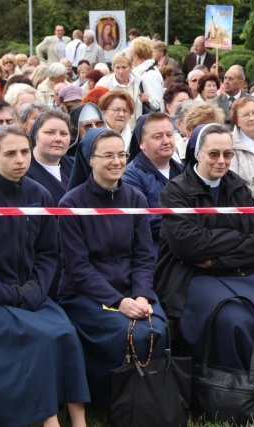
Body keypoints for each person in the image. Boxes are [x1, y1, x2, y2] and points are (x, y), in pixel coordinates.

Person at [155, 123, 254, 416]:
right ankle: (238, 397)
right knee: (233, 318)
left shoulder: (239, 187)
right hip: (193, 276)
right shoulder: (176, 191)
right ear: (196, 155)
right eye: (213, 153)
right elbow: (187, 247)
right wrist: (233, 241)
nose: (221, 161)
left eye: (228, 153)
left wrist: (216, 258)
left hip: (242, 271)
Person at [0, 125, 89, 426]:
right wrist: (13, 295)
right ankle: (49, 419)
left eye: (25, 152)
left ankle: (79, 420)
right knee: (39, 337)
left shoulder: (39, 195)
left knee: (66, 332)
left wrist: (34, 291)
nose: (20, 159)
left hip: (32, 295)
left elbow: (48, 253)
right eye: (10, 153)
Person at [57, 127, 166, 409]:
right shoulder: (71, 204)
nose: (117, 161)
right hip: (86, 295)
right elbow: (78, 268)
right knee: (135, 332)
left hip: (133, 290)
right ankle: (116, 402)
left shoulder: (135, 199)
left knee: (159, 328)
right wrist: (119, 301)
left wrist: (142, 294)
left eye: (121, 155)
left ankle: (151, 401)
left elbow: (143, 256)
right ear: (89, 160)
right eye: (108, 155)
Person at [123, 113, 184, 256]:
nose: (166, 141)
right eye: (158, 137)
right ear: (142, 143)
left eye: (169, 135)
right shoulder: (131, 176)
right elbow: (143, 221)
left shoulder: (184, 172)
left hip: (187, 243)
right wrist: (187, 223)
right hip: (152, 250)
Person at [96, 52, 141, 127]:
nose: (121, 71)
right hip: (113, 129)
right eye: (117, 68)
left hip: (135, 126)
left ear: (130, 67)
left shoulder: (138, 81)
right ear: (113, 68)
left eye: (124, 67)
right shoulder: (103, 84)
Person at [129, 37, 164, 114]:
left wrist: (148, 100)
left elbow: (156, 103)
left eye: (131, 53)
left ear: (136, 56)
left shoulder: (150, 74)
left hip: (150, 121)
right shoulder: (143, 71)